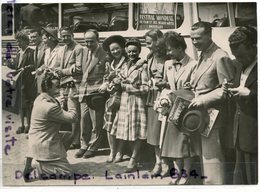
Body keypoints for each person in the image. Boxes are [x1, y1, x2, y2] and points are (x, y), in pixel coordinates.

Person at [189, 21, 235, 184]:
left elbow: (228, 89)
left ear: (209, 35)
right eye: (192, 39)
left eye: (198, 39)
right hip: (202, 115)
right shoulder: (204, 53)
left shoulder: (220, 56)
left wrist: (202, 98)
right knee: (205, 157)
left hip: (213, 116)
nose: (195, 43)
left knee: (212, 159)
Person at [158, 31, 199, 184]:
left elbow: (194, 89)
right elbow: (167, 85)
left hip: (185, 108)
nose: (168, 53)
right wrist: (164, 98)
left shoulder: (193, 64)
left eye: (170, 49)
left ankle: (186, 174)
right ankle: (176, 174)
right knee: (172, 143)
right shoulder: (168, 64)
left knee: (185, 143)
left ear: (180, 48)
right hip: (171, 109)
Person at [23, 72, 78, 182]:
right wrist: (72, 99)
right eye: (57, 87)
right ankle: (37, 166)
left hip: (36, 139)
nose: (60, 89)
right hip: (43, 143)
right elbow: (73, 117)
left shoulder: (39, 98)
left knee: (68, 136)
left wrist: (58, 102)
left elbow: (51, 110)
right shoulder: (50, 107)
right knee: (69, 174)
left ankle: (47, 160)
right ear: (48, 88)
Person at [228, 26, 257, 184]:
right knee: (241, 178)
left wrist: (251, 94)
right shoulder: (239, 64)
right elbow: (238, 84)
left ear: (253, 47)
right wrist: (229, 88)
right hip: (240, 131)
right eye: (235, 56)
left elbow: (249, 91)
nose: (238, 59)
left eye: (241, 55)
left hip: (254, 132)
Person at [116, 38, 149, 172]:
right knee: (128, 131)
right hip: (125, 101)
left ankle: (134, 159)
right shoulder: (125, 65)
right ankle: (135, 156)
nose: (131, 54)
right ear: (126, 51)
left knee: (137, 131)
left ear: (139, 51)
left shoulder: (143, 66)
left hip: (137, 102)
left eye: (134, 51)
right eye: (129, 51)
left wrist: (128, 87)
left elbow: (146, 87)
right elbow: (122, 81)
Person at [74, 29, 107, 159]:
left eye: (91, 42)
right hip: (83, 92)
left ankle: (93, 147)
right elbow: (79, 69)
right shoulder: (83, 52)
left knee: (96, 122)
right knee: (84, 120)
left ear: (97, 40)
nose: (88, 44)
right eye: (86, 41)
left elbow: (107, 74)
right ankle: (84, 145)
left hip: (96, 94)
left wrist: (104, 85)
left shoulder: (104, 54)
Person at [99, 35, 128, 163]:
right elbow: (106, 78)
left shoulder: (127, 63)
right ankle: (112, 151)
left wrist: (119, 81)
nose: (115, 51)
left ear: (122, 48)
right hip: (111, 98)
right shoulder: (109, 64)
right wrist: (105, 84)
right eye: (112, 50)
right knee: (109, 125)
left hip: (124, 97)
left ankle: (120, 152)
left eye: (117, 49)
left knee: (120, 125)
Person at [55, 26, 83, 150]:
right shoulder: (62, 49)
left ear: (72, 35)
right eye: (63, 36)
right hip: (63, 85)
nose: (65, 38)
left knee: (73, 113)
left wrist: (62, 71)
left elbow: (78, 69)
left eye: (67, 35)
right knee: (60, 110)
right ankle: (59, 138)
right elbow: (58, 66)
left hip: (74, 85)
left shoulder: (79, 48)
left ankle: (76, 141)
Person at [144, 29, 166, 175]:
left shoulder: (168, 56)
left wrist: (162, 83)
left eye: (149, 43)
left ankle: (166, 163)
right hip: (152, 96)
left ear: (158, 41)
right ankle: (158, 162)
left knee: (165, 131)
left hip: (165, 96)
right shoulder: (149, 56)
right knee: (154, 132)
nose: (147, 46)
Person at [8, 31, 36, 134]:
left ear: (25, 41)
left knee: (27, 104)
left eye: (19, 42)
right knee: (20, 104)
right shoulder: (19, 53)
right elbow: (16, 67)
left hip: (27, 82)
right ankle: (21, 124)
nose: (18, 44)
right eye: (17, 42)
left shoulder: (31, 52)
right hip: (19, 82)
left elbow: (34, 65)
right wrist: (10, 64)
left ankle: (28, 124)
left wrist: (27, 68)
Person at [29, 28, 46, 95]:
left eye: (34, 37)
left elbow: (48, 62)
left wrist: (40, 69)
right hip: (37, 79)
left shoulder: (46, 47)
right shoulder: (36, 48)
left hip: (45, 79)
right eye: (31, 37)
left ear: (40, 37)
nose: (32, 39)